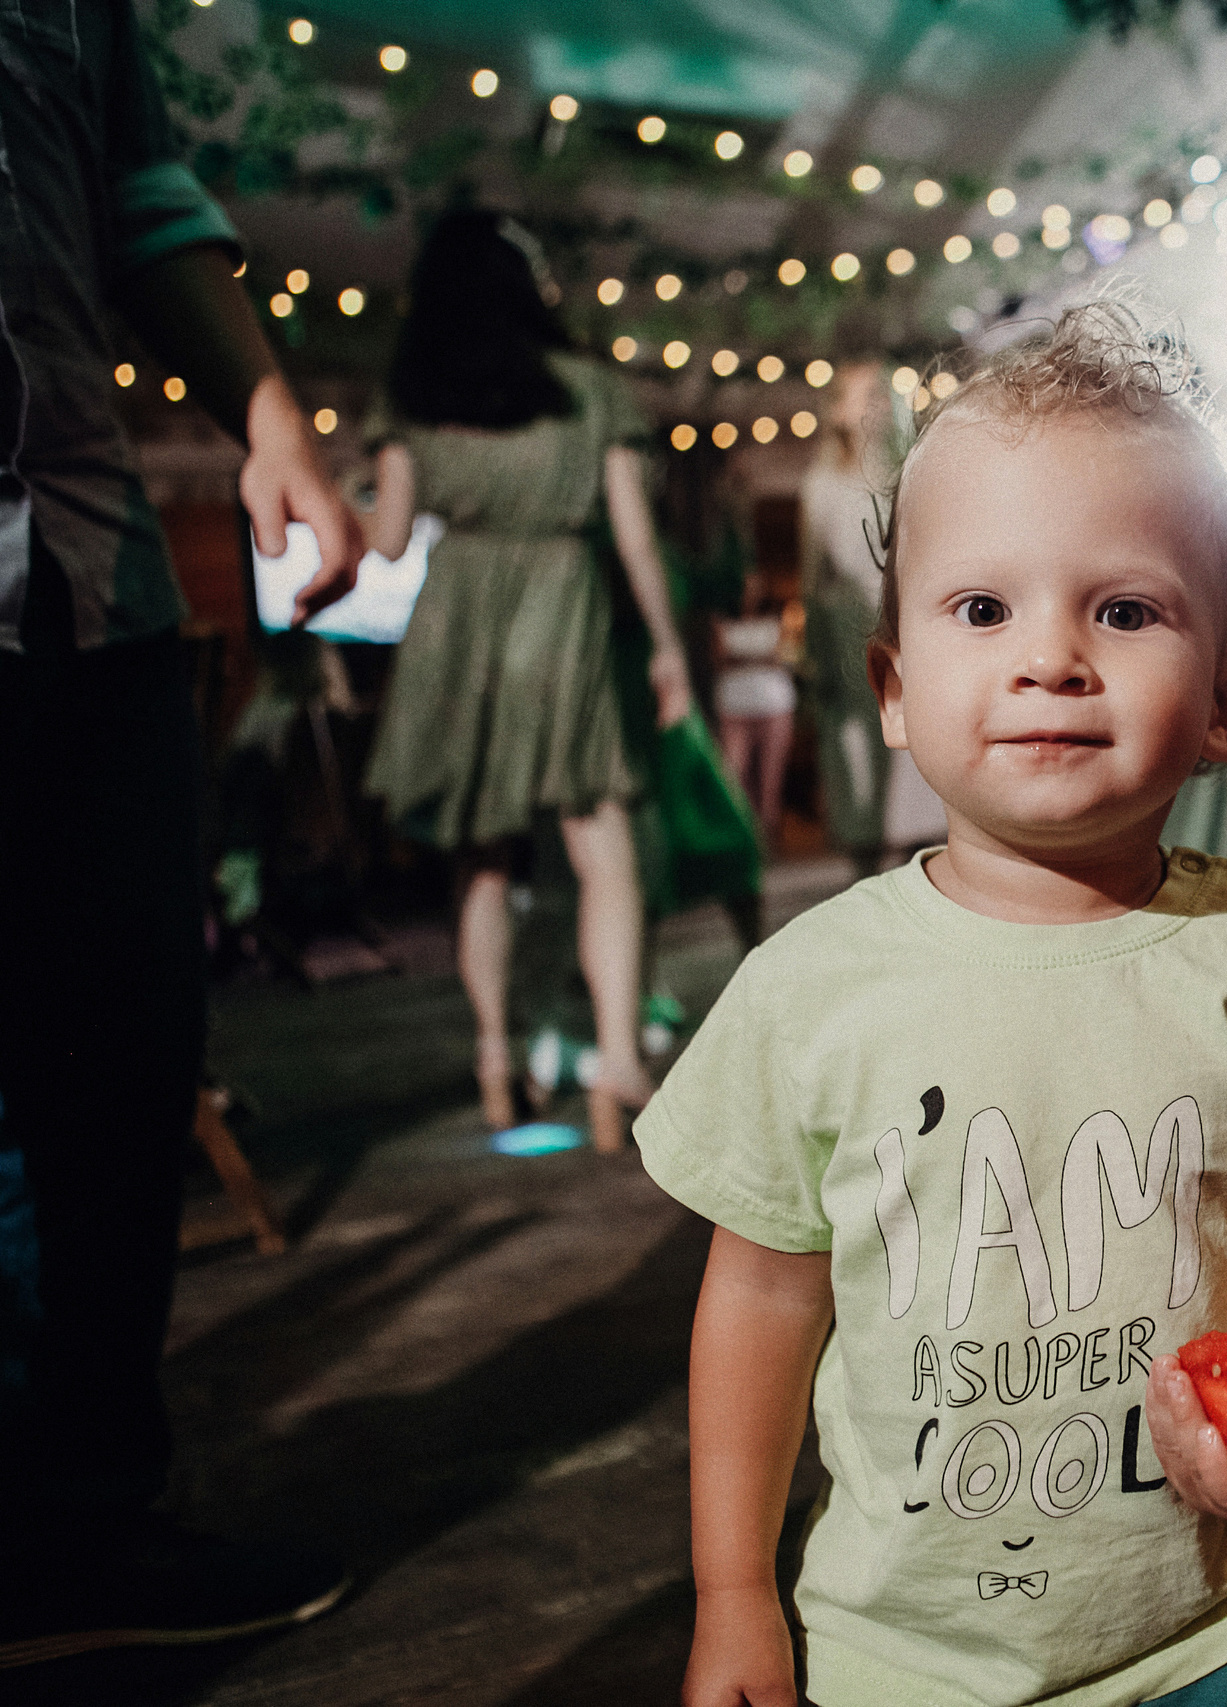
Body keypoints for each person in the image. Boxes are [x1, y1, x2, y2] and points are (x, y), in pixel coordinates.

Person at [636, 303, 1227, 1707]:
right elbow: (759, 1296)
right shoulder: (811, 991)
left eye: (1124, 610)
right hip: (911, 1659)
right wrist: (735, 1592)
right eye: (983, 608)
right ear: (891, 688)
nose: (1051, 656)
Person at [0, 0, 361, 1666]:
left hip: (86, 570)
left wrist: (269, 416)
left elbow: (139, 190)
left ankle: (80, 1522)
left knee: (121, 1065)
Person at [361, 211, 692, 1150]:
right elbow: (634, 537)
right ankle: (617, 1061)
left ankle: (496, 1059)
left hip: (455, 622)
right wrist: (666, 646)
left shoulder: (415, 396)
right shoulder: (591, 389)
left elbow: (386, 541)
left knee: (483, 856)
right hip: (564, 610)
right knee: (604, 841)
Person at [800, 361, 946, 868]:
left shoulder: (914, 470)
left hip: (911, 615)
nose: (874, 407)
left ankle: (916, 854)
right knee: (862, 745)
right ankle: (864, 852)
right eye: (861, 397)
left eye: (880, 396)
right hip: (853, 623)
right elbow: (814, 578)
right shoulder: (823, 483)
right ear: (837, 410)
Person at [713, 569, 799, 847]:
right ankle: (742, 841)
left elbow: (787, 656)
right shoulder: (721, 622)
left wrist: (743, 659)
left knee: (770, 782)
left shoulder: (780, 619)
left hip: (774, 704)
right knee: (735, 779)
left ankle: (767, 844)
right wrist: (762, 658)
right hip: (734, 707)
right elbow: (720, 661)